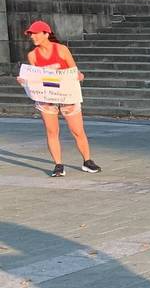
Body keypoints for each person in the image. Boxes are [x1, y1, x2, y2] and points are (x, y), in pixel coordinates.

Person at [15, 21, 100, 176]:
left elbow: (74, 70)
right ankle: (58, 165)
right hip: (47, 98)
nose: (32, 37)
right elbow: (35, 78)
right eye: (31, 34)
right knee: (52, 131)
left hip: (67, 96)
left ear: (46, 34)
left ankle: (87, 161)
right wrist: (24, 81)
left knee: (77, 130)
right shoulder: (32, 55)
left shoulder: (61, 50)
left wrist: (79, 76)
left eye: (35, 33)